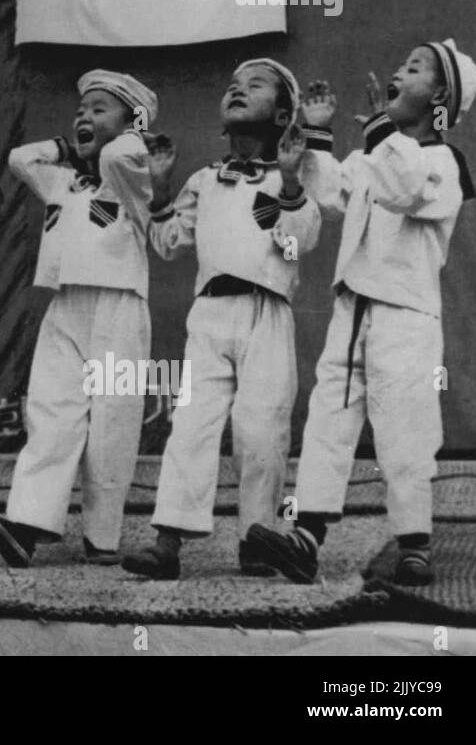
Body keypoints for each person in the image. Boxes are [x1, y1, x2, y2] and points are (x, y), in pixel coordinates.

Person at [246, 41, 476, 587]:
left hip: (404, 315)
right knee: (328, 421)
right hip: (351, 308)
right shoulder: (378, 152)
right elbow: (335, 192)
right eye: (400, 64)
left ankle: (414, 541)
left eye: (414, 69)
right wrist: (319, 134)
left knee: (405, 428)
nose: (398, 71)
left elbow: (403, 188)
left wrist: (378, 131)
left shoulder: (442, 161)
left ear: (440, 96)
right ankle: (306, 538)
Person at [122, 59, 320, 580]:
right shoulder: (203, 180)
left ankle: (259, 540)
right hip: (208, 314)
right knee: (191, 425)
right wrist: (161, 192)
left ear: (282, 115)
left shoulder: (289, 178)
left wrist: (292, 182)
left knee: (261, 431)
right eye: (232, 85)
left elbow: (301, 240)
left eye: (254, 86)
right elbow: (168, 245)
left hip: (267, 313)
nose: (237, 89)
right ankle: (167, 542)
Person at [0, 71, 157, 567]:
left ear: (131, 122)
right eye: (81, 108)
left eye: (100, 109)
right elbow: (20, 159)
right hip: (66, 303)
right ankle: (28, 524)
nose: (84, 116)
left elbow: (119, 153)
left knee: (112, 422)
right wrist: (68, 144)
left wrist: (130, 130)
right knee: (51, 411)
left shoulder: (130, 173)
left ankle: (103, 535)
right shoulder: (62, 180)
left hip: (118, 304)